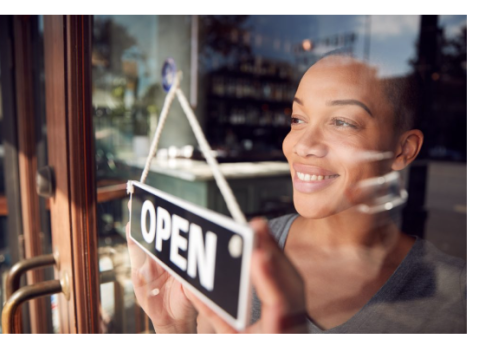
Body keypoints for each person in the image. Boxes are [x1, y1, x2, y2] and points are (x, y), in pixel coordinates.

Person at [129, 54, 465, 333]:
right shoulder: (238, 253)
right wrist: (174, 330)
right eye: (298, 118)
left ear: (403, 150)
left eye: (342, 122)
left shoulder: (457, 298)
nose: (301, 145)